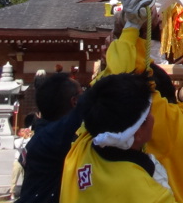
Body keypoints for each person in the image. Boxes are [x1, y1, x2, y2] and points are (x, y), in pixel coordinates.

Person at [67, 0, 183, 203]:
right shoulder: (179, 131)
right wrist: (135, 30)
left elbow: (117, 80)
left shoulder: (82, 148)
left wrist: (130, 29)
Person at [61, 72, 175, 203]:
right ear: (136, 132)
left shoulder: (83, 144)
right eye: (149, 113)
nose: (153, 117)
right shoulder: (150, 194)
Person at [17, 72, 84, 203]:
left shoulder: (43, 134)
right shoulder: (51, 137)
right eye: (82, 94)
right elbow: (83, 108)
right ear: (74, 101)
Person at [10, 127, 32, 200]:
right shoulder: (17, 140)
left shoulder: (30, 140)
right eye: (22, 131)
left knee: (25, 178)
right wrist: (23, 138)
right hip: (18, 161)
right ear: (19, 133)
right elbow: (18, 146)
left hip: (27, 161)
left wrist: (28, 136)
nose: (24, 132)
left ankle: (25, 193)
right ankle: (12, 193)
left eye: (25, 131)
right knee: (15, 177)